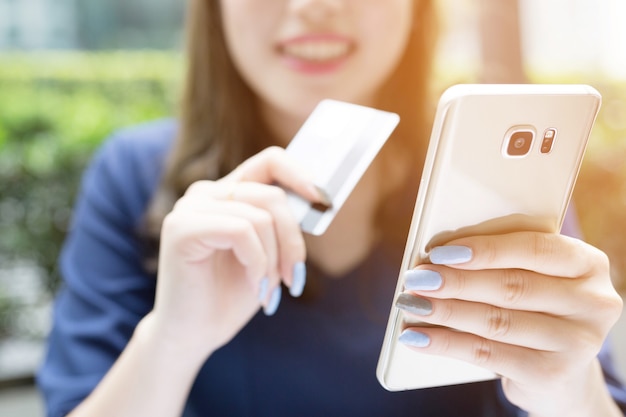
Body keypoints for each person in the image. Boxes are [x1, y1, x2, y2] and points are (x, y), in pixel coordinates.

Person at [37, 1, 626, 416]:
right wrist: (172, 339)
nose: (315, 5)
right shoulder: (136, 174)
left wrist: (571, 393)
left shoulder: (493, 179)